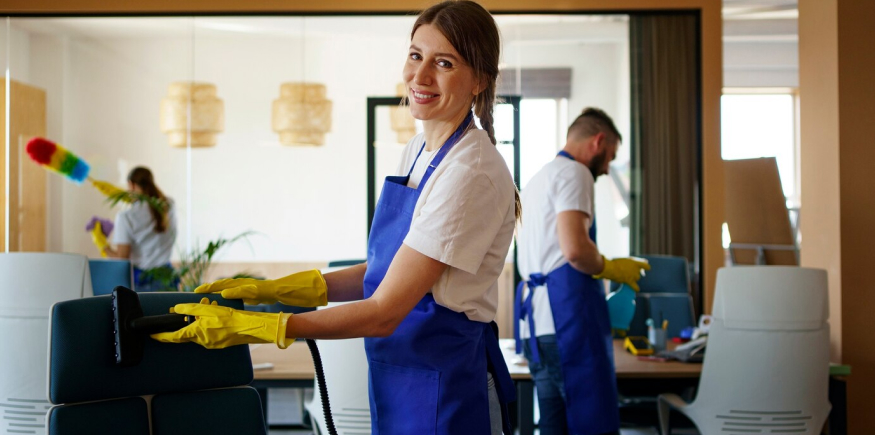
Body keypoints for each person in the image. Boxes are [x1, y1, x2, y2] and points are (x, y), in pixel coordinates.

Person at [152, 2, 519, 433]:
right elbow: (392, 271)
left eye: (444, 63)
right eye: (416, 55)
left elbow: (385, 310)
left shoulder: (469, 170)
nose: (420, 76)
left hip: (446, 383)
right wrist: (277, 289)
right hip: (399, 374)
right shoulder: (418, 151)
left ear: (479, 80)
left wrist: (261, 325)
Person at [514, 108, 650, 435]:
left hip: (537, 326)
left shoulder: (537, 179)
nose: (605, 168)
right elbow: (574, 249)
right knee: (591, 424)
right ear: (598, 141)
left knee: (553, 425)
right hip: (567, 323)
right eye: (609, 157)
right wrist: (611, 268)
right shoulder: (576, 173)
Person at [101, 166, 177, 292]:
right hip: (168, 278)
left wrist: (103, 245)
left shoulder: (126, 216)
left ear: (131, 185)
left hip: (144, 284)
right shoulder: (169, 204)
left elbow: (121, 259)